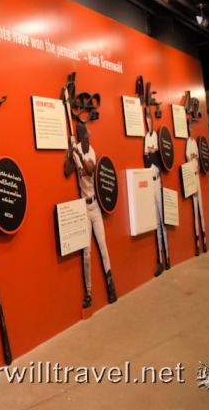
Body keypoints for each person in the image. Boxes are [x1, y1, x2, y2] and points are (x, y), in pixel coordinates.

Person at [64, 121, 116, 308]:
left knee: (103, 246)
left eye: (88, 136)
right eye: (86, 136)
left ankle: (111, 287)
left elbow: (89, 169)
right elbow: (67, 172)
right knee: (86, 252)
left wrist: (78, 154)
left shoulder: (91, 151)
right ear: (81, 137)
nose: (88, 138)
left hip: (95, 205)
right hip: (83, 207)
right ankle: (88, 292)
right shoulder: (76, 149)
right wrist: (70, 155)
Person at [143, 109, 169, 276]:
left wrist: (153, 153)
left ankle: (168, 256)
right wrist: (151, 154)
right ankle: (159, 257)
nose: (148, 122)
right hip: (150, 181)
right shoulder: (146, 137)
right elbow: (146, 158)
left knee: (162, 219)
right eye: (146, 120)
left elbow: (159, 159)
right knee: (156, 223)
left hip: (158, 181)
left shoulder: (157, 137)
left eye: (149, 119)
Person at [185, 121, 207, 256]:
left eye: (191, 127)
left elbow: (197, 158)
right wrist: (193, 159)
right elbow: (189, 158)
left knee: (201, 208)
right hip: (191, 177)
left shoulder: (194, 142)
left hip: (197, 175)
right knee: (194, 209)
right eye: (189, 127)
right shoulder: (188, 142)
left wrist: (197, 164)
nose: (191, 129)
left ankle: (204, 238)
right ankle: (197, 242)